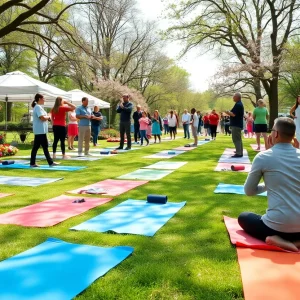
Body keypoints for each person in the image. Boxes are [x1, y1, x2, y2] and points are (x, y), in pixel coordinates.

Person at [238, 117, 300, 252]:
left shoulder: (263, 157)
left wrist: (267, 185)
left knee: (244, 217)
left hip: (275, 227)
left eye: (272, 130)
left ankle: (279, 240)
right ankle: (296, 242)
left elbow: (249, 191)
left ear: (276, 134)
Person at [30, 93, 58, 167]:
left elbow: (44, 117)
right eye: (43, 98)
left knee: (37, 147)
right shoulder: (38, 107)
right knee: (44, 147)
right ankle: (50, 162)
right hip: (40, 131)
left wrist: (48, 117)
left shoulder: (38, 107)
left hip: (41, 130)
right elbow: (42, 118)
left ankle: (33, 163)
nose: (44, 100)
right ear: (39, 99)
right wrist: (48, 116)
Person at [225, 92, 244, 157]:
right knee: (238, 138)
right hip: (237, 124)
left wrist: (227, 112)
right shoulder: (238, 104)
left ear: (237, 97)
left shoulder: (238, 105)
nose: (233, 97)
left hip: (236, 124)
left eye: (234, 96)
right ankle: (239, 151)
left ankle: (239, 153)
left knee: (236, 138)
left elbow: (233, 114)